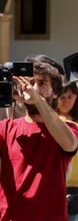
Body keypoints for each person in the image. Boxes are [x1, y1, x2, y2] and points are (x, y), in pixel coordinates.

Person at [0, 61, 78, 221]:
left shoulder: (68, 128)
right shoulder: (7, 127)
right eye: (30, 82)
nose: (32, 88)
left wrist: (38, 100)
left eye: (41, 83)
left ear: (55, 93)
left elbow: (70, 144)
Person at [57, 82, 78, 220]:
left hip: (76, 186)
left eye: (70, 96)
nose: (66, 100)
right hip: (56, 184)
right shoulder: (51, 121)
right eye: (62, 97)